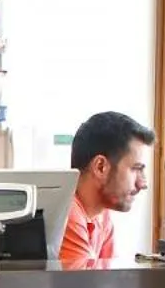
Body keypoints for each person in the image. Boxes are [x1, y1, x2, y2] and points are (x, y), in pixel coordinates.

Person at [60, 111, 154, 267]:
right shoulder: (67, 214)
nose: (143, 183)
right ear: (100, 167)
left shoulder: (102, 217)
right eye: (136, 169)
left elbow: (108, 283)